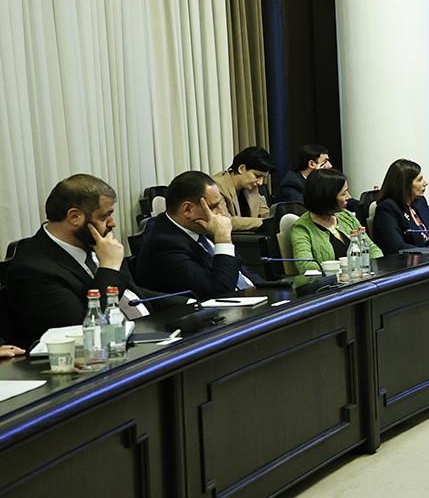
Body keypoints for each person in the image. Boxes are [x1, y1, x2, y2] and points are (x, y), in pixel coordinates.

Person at [3, 174, 141, 348]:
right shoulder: (31, 269)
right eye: (104, 216)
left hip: (133, 336)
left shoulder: (93, 245)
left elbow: (132, 295)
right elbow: (85, 331)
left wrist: (178, 302)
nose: (112, 223)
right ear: (74, 217)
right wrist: (109, 268)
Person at [132, 170, 252, 299]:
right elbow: (220, 294)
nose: (221, 213)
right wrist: (223, 240)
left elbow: (242, 272)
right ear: (187, 209)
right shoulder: (164, 245)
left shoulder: (201, 227)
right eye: (214, 206)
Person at [288, 169, 381, 274]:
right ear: (328, 197)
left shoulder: (346, 216)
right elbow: (306, 265)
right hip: (331, 282)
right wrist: (340, 271)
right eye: (344, 193)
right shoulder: (301, 228)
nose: (348, 197)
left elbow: (371, 248)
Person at [371, 159, 429, 252]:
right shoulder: (387, 209)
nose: (425, 183)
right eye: (419, 180)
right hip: (408, 259)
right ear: (405, 184)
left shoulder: (420, 202)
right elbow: (397, 246)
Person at [213, 145, 275, 232]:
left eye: (263, 178)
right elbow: (225, 221)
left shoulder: (251, 186)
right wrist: (264, 222)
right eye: (257, 176)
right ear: (241, 168)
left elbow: (265, 214)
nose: (260, 182)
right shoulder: (217, 186)